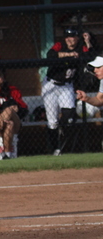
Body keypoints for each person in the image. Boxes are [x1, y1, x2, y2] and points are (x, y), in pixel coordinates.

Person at [43, 27, 92, 156]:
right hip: (51, 85)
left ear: (77, 38)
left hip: (67, 86)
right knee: (52, 121)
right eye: (68, 37)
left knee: (69, 118)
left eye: (73, 37)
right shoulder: (60, 45)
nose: (70, 40)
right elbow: (50, 55)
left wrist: (87, 42)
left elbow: (90, 56)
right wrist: (69, 55)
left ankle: (62, 144)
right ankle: (54, 149)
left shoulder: (81, 47)